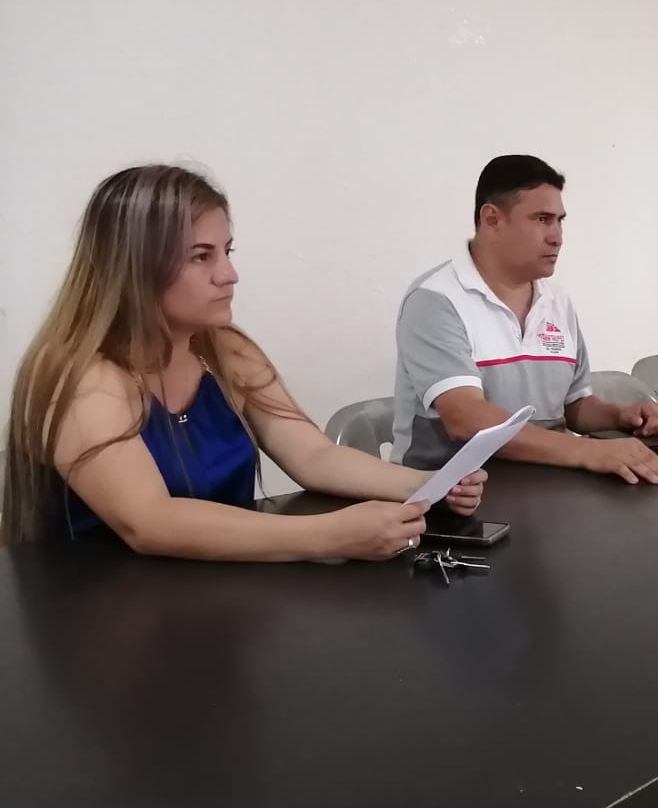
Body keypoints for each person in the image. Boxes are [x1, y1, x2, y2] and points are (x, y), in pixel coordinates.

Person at [1, 165, 485, 560]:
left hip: (212, 596)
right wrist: (331, 535)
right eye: (201, 257)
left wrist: (427, 484)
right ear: (134, 266)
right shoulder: (82, 378)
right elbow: (149, 522)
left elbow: (313, 456)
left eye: (226, 251)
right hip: (100, 620)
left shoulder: (224, 349)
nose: (229, 274)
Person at [391, 154, 658, 486]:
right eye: (542, 219)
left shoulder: (557, 301)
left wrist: (618, 415)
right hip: (450, 496)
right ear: (492, 219)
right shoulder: (436, 299)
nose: (557, 237)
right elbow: (465, 418)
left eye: (560, 221)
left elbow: (573, 406)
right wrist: (589, 451)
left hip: (546, 484)